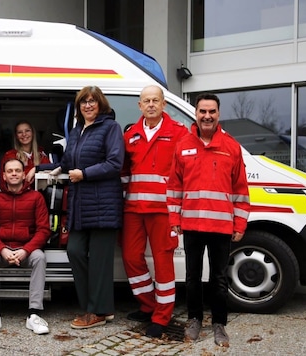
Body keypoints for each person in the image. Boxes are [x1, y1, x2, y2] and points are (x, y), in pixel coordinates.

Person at [167, 92, 250, 347]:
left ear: (218, 114)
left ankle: (219, 324)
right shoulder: (183, 145)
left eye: (211, 111)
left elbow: (241, 190)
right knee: (192, 277)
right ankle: (194, 319)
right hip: (191, 224)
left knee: (219, 278)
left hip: (221, 226)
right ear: (196, 113)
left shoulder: (231, 147)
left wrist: (240, 224)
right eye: (202, 111)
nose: (207, 116)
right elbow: (174, 186)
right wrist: (174, 217)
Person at [41, 85, 124, 329]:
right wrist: (57, 169)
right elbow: (70, 160)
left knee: (99, 260)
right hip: (80, 204)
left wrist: (84, 174)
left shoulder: (110, 128)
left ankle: (95, 312)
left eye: (92, 101)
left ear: (101, 104)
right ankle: (101, 307)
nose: (88, 105)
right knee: (75, 251)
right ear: (79, 107)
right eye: (83, 102)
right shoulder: (77, 131)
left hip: (103, 204)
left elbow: (114, 162)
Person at [121, 85, 189, 338]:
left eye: (155, 100)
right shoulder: (131, 136)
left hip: (163, 210)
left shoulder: (179, 133)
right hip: (134, 209)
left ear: (164, 105)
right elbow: (124, 173)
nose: (151, 104)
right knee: (130, 257)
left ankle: (162, 316)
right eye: (146, 101)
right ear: (140, 106)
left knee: (163, 263)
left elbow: (185, 173)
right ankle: (148, 305)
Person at [0, 158, 51, 335]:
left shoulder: (36, 197)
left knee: (40, 257)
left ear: (24, 174)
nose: (14, 174)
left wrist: (25, 251)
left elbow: (43, 230)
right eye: (10, 171)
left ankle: (34, 315)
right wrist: (2, 249)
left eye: (17, 170)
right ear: (3, 175)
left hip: (26, 250)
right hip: (2, 249)